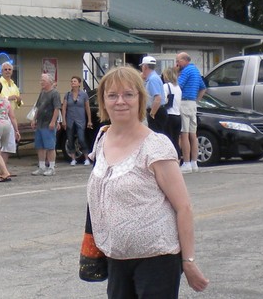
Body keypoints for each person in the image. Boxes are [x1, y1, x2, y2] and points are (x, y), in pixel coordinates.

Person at [86, 65, 208, 297]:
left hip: (157, 258)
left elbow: (183, 206)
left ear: (140, 99)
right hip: (116, 257)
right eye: (112, 95)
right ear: (103, 101)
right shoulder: (102, 138)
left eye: (128, 94)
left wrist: (188, 261)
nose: (120, 101)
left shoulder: (155, 145)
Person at [176, 52, 206, 174]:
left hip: (184, 103)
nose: (177, 63)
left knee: (184, 134)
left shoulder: (186, 71)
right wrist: (196, 101)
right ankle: (194, 162)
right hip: (193, 104)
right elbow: (203, 88)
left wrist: (176, 74)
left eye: (178, 60)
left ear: (184, 60)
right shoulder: (195, 70)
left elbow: (178, 85)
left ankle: (186, 163)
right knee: (193, 134)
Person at [31, 73, 62, 176]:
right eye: (41, 80)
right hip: (40, 123)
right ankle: (41, 167)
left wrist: (53, 122)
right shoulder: (42, 93)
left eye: (43, 81)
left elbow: (57, 108)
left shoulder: (55, 93)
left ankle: (52, 167)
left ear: (49, 82)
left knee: (50, 146)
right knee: (40, 146)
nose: (41, 82)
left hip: (48, 124)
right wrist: (34, 119)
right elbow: (38, 107)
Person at [63, 75, 93, 165]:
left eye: (75, 81)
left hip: (80, 120)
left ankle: (86, 158)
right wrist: (63, 120)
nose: (73, 83)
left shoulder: (84, 95)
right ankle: (73, 159)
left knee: (81, 138)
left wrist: (89, 120)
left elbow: (87, 107)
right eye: (72, 81)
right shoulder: (67, 95)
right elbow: (64, 107)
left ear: (79, 83)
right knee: (70, 139)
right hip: (70, 119)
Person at [0, 61, 22, 164]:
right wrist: (9, 97)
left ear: (12, 71)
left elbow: (18, 104)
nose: (7, 71)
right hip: (0, 116)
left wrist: (18, 100)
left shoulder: (14, 85)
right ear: (1, 71)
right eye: (5, 69)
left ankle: (3, 169)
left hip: (11, 117)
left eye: (9, 69)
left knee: (8, 146)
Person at [141, 56, 166, 135]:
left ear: (145, 67)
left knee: (154, 136)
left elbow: (157, 98)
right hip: (158, 110)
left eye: (142, 66)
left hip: (156, 111)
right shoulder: (153, 77)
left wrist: (152, 114)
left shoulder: (152, 79)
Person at [162, 67, 183, 155]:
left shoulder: (166, 86)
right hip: (178, 116)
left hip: (169, 115)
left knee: (168, 140)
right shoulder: (178, 88)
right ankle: (177, 158)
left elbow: (163, 100)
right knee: (175, 140)